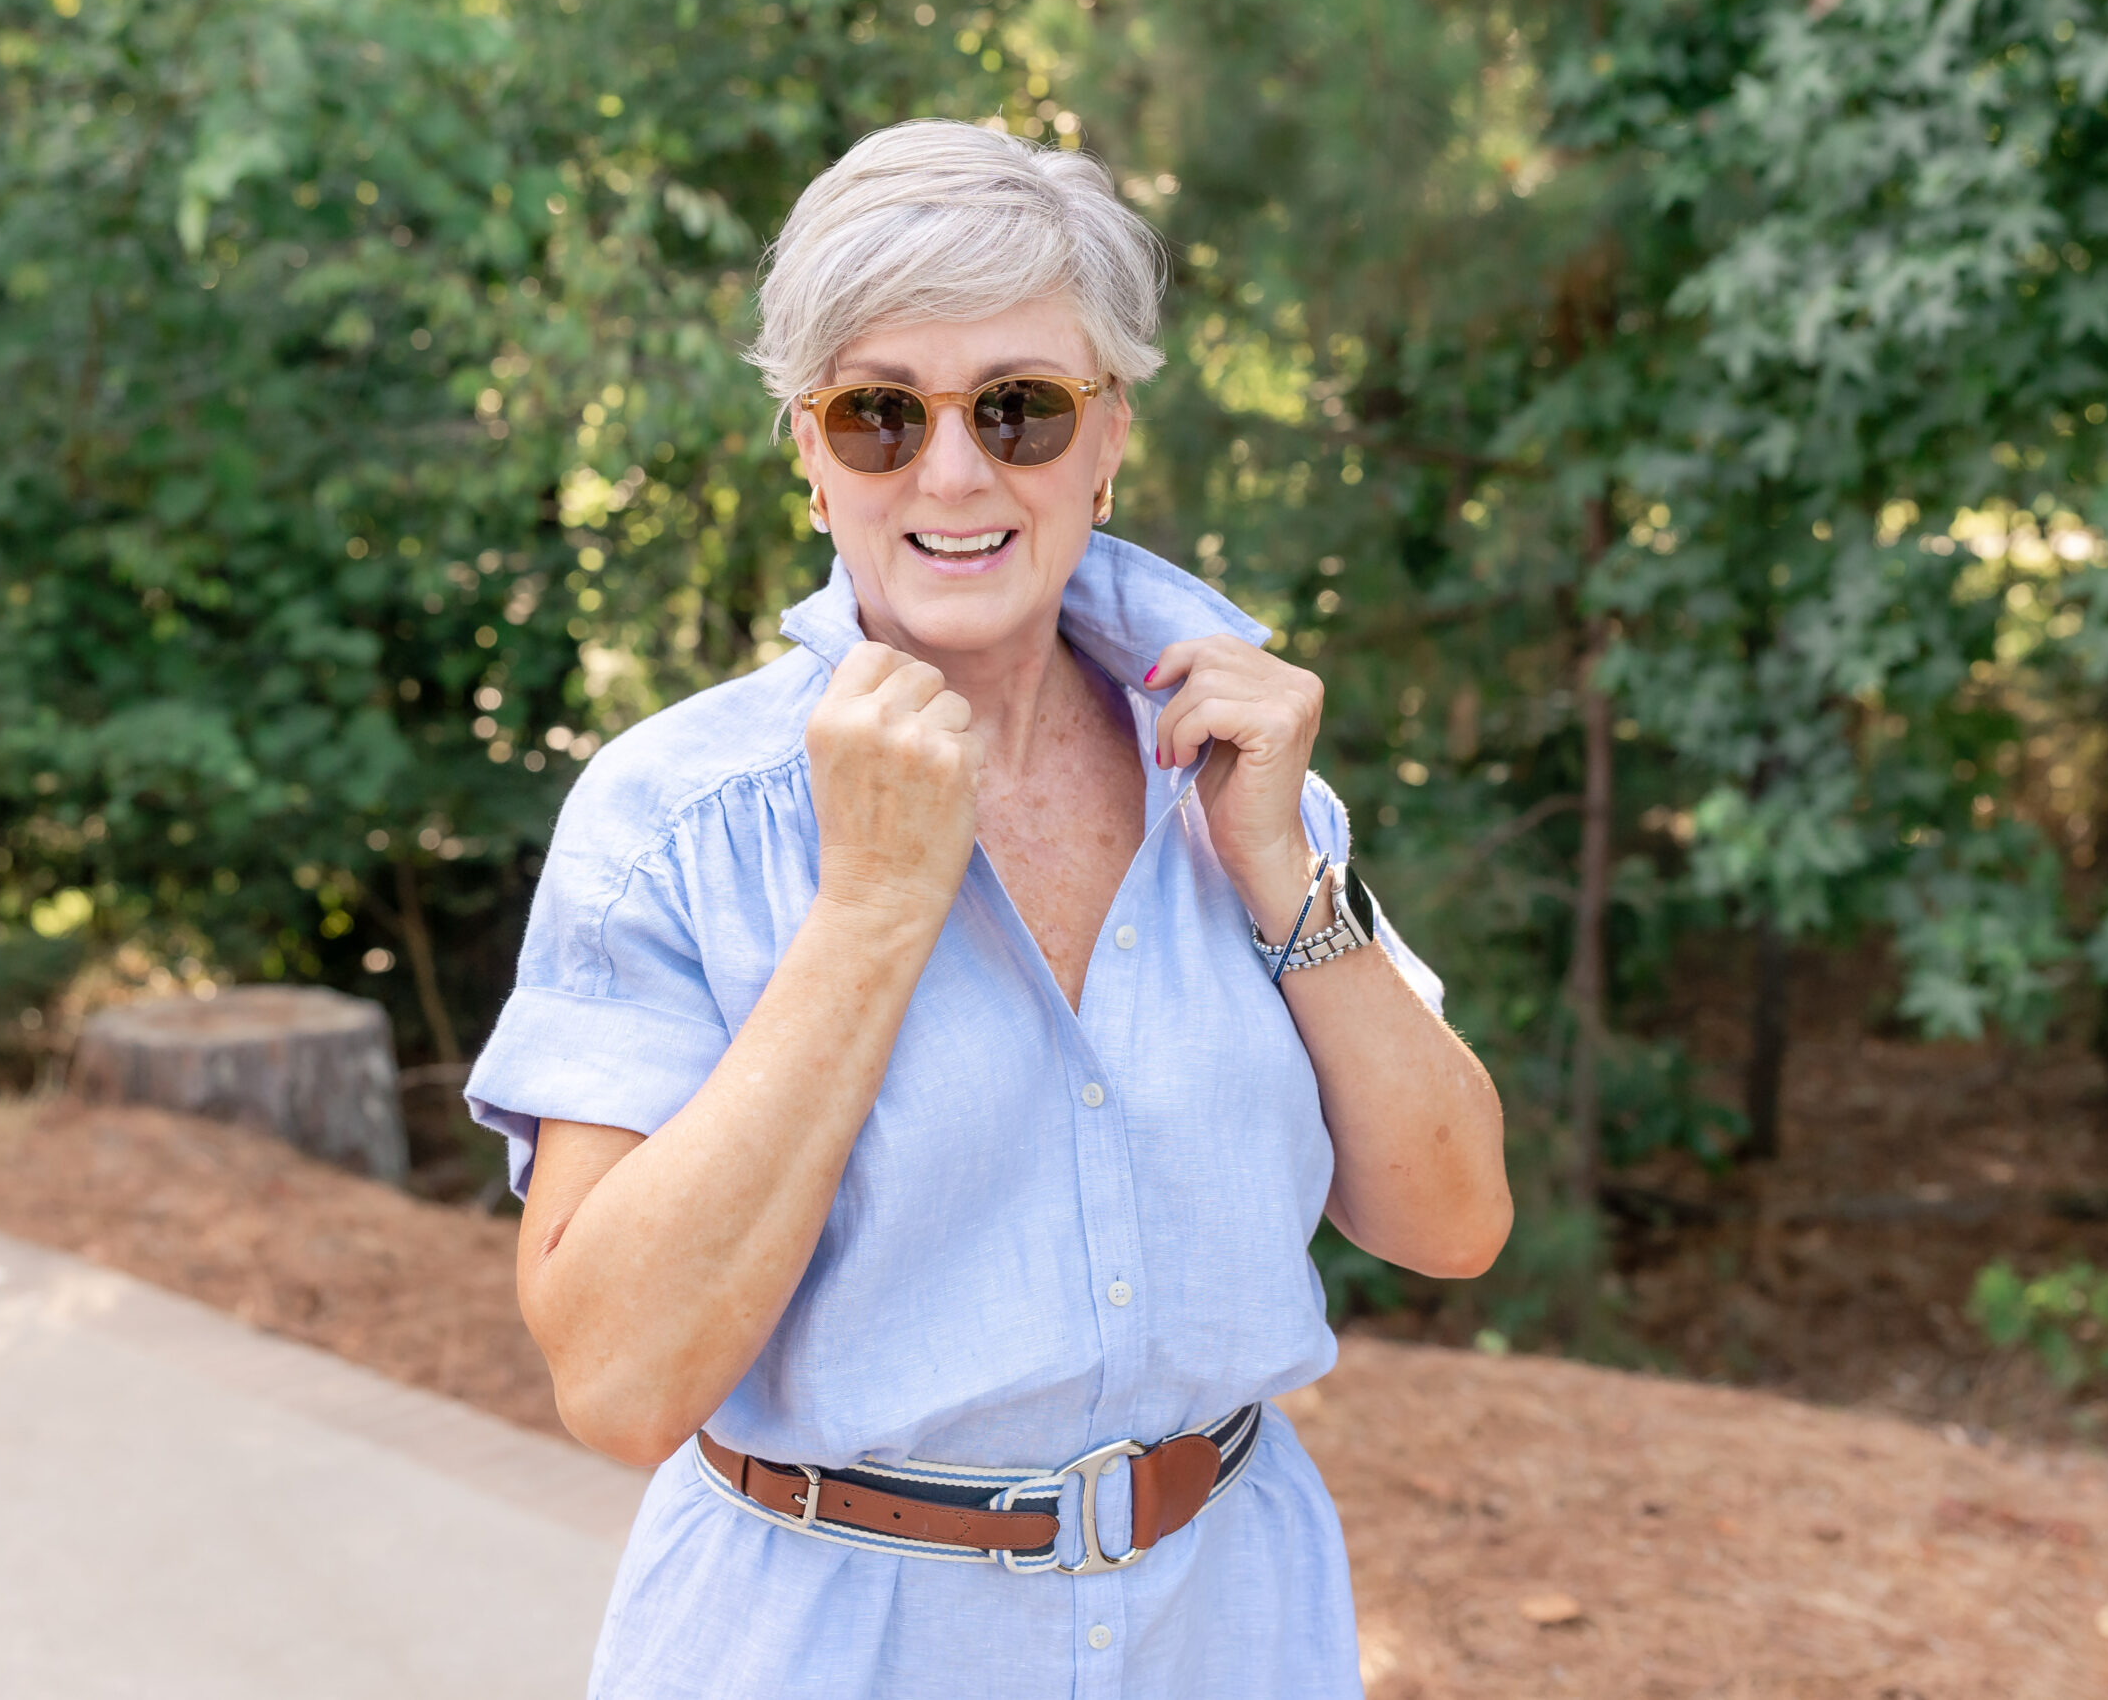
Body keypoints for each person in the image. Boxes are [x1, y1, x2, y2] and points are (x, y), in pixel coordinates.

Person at [466, 118, 1509, 1699]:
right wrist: (876, 905)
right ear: (809, 455)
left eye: (1019, 408)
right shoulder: (673, 822)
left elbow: (1452, 1221)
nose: (954, 471)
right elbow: (617, 1380)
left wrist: (1285, 873)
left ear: (1108, 439)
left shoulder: (1234, 767)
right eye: (882, 414)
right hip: (832, 1643)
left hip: (1224, 1629)